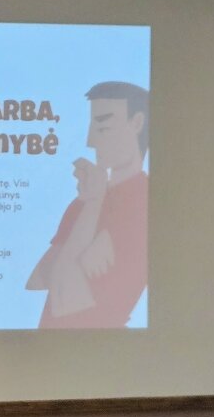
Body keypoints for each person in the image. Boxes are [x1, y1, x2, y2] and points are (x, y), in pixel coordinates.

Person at [27, 81, 149, 328]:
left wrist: (93, 206)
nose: (90, 142)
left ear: (136, 123)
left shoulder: (146, 201)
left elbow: (63, 296)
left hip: (98, 345)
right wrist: (79, 253)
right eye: (91, 128)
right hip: (48, 344)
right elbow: (39, 279)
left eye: (103, 127)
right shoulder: (86, 200)